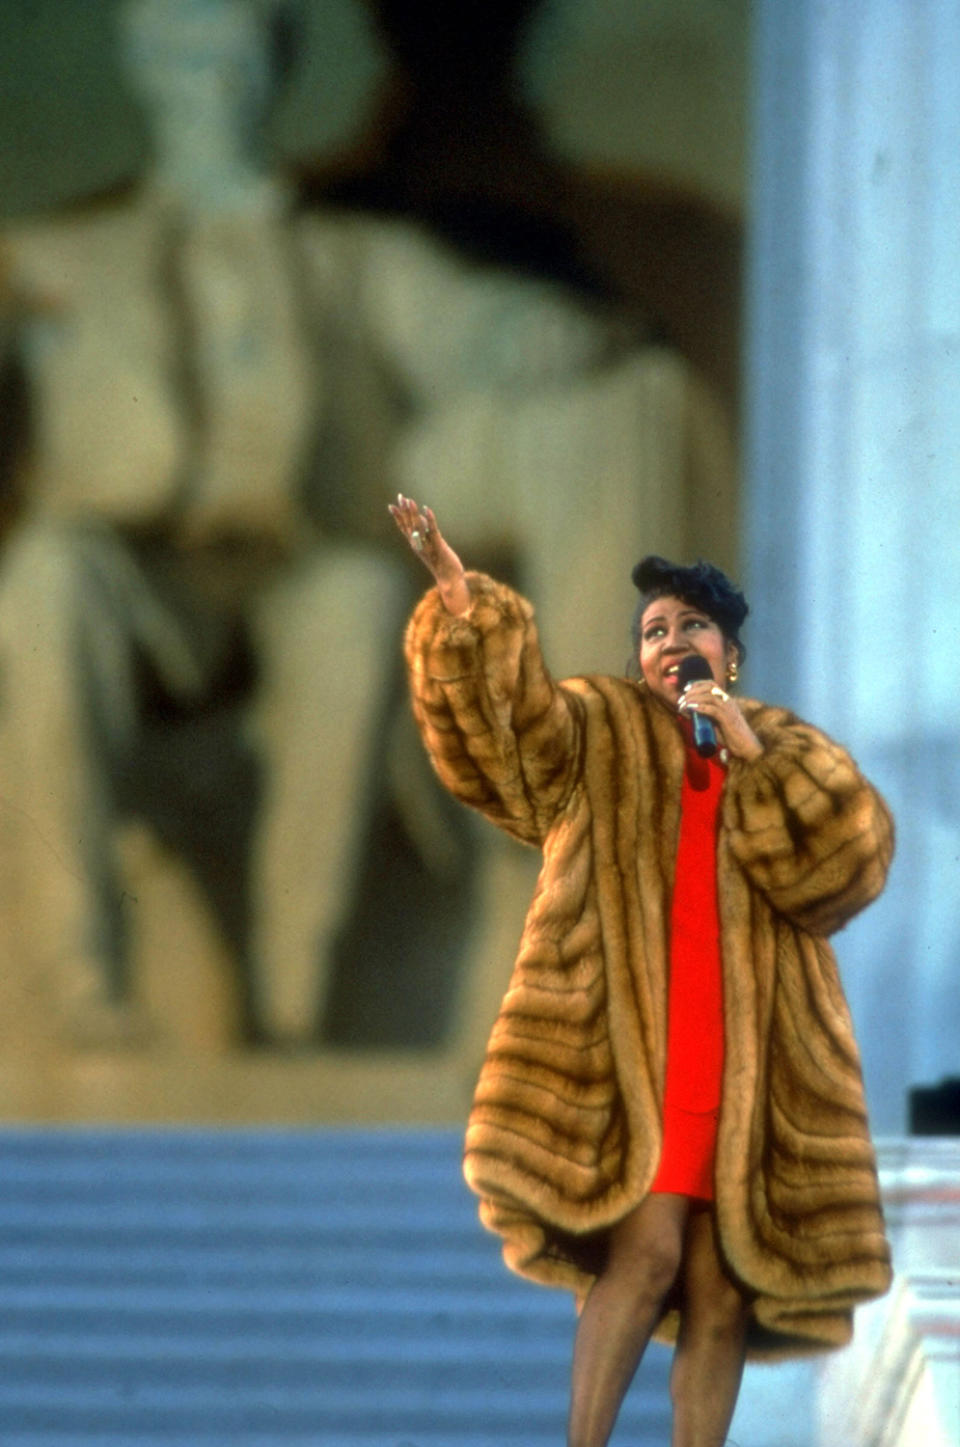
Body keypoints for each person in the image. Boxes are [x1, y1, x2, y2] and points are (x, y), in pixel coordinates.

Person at [390, 494, 894, 1447]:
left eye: (691, 624)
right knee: (650, 1248)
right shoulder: (600, 730)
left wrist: (747, 752)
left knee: (720, 1289)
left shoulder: (785, 750)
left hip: (754, 1074)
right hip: (639, 1058)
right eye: (654, 630)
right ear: (636, 660)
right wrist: (465, 608)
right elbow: (509, 740)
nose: (671, 641)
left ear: (729, 654)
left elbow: (848, 862)